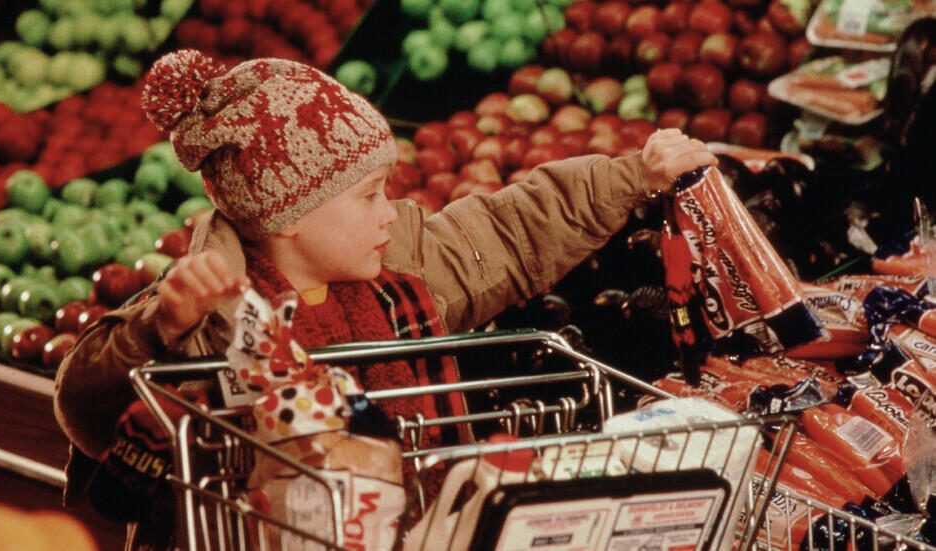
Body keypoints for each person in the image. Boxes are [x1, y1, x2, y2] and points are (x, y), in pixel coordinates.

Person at [53, 49, 716, 550]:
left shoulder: (406, 269)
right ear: (289, 215)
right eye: (369, 195)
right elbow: (85, 405)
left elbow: (513, 230)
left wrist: (634, 175)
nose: (389, 211)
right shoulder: (210, 309)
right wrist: (160, 328)